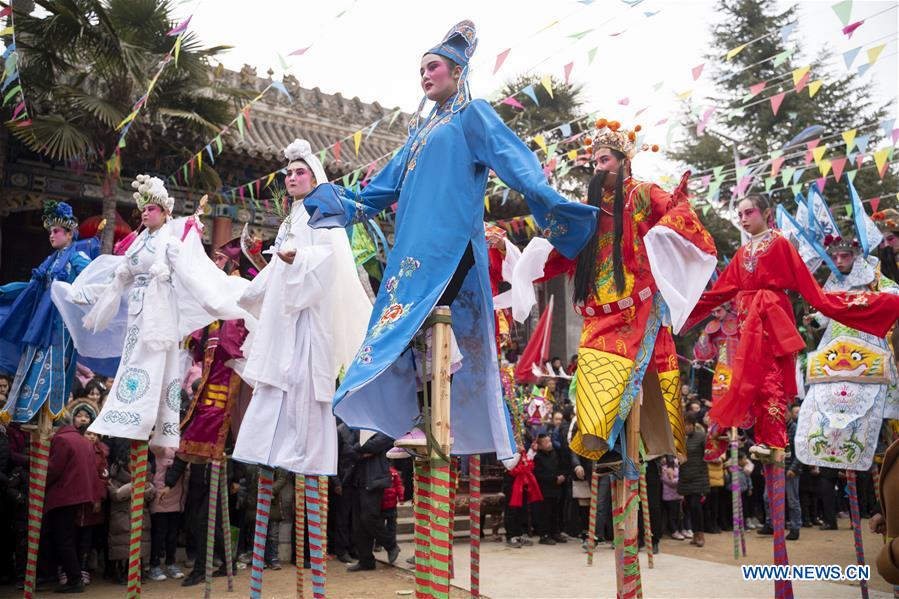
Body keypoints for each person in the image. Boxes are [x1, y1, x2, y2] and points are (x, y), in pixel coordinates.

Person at [303, 21, 597, 462]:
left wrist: (554, 205)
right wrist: (334, 202)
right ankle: (418, 418)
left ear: (457, 72)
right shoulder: (419, 133)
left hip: (449, 243)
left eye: (434, 66)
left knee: (422, 324)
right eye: (421, 68)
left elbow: (517, 161)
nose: (425, 75)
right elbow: (378, 192)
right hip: (410, 250)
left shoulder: (471, 116)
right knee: (397, 330)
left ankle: (429, 420)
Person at [510, 119, 717, 464]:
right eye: (595, 161)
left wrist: (666, 228)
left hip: (637, 306)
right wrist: (535, 258)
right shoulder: (588, 210)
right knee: (593, 372)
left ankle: (624, 448)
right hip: (597, 309)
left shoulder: (644, 193)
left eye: (605, 159)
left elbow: (677, 211)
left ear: (624, 161)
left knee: (628, 377)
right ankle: (604, 448)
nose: (598, 167)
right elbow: (565, 247)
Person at [57, 175, 247, 448]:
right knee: (132, 360)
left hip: (160, 314)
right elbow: (118, 281)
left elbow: (191, 276)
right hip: (138, 312)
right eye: (143, 209)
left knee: (154, 363)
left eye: (151, 209)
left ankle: (143, 419)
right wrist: (84, 294)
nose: (145, 213)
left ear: (165, 212)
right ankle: (125, 414)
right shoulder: (138, 243)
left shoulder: (170, 244)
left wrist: (215, 297)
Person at [795, 183, 899, 472]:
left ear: (856, 256)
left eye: (845, 256)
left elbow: (893, 296)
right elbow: (825, 313)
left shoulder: (874, 279)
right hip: (835, 354)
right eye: (836, 257)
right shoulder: (831, 286)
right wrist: (814, 319)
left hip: (868, 350)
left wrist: (869, 300)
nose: (839, 261)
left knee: (879, 413)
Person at [0, 200, 99, 423]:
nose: (51, 236)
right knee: (32, 366)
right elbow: (31, 288)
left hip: (61, 327)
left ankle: (47, 419)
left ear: (70, 234)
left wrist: (74, 296)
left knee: (52, 369)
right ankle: (30, 418)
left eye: (56, 231)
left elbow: (91, 284)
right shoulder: (50, 261)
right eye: (50, 232)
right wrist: (5, 290)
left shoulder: (77, 258)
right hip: (42, 323)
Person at [42, 420, 102, 593]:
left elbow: (53, 469)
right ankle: (72, 577)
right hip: (79, 495)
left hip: (63, 495)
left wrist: (39, 484)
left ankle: (74, 580)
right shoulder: (82, 440)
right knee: (68, 538)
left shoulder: (61, 440)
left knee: (63, 539)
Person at [342, 431, 400, 571]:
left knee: (369, 518)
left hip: (374, 481)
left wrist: (360, 449)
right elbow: (347, 449)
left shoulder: (381, 428)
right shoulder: (356, 428)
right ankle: (366, 561)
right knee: (358, 525)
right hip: (355, 481)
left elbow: (377, 444)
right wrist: (362, 452)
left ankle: (390, 544)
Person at [147, 446, 186, 581]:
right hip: (160, 497)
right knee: (159, 533)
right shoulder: (159, 448)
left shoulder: (182, 448)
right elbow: (153, 445)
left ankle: (171, 563)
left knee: (172, 535)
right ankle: (154, 565)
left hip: (178, 498)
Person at [677, 413, 709, 548]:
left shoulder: (701, 436)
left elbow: (708, 453)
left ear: (693, 425)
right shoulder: (680, 438)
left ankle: (700, 534)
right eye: (684, 425)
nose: (686, 428)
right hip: (685, 477)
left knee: (696, 506)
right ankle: (695, 534)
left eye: (688, 425)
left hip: (698, 477)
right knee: (689, 507)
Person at [533, 433, 567, 545]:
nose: (549, 444)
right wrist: (554, 479)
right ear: (540, 445)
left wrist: (562, 476)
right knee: (545, 513)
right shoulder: (537, 457)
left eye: (549, 441)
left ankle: (555, 532)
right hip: (545, 489)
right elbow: (539, 475)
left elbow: (561, 467)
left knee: (555, 512)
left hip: (557, 488)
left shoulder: (555, 454)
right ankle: (544, 535)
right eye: (546, 442)